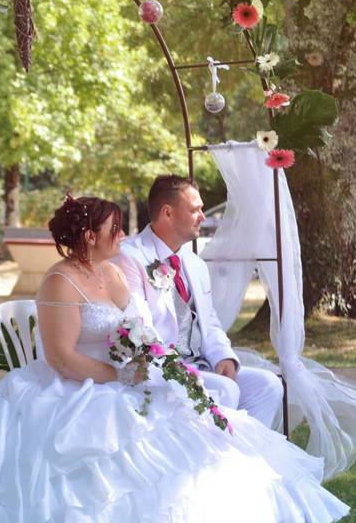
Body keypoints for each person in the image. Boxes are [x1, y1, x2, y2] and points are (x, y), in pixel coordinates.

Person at [0, 193, 348, 523]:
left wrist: (147, 360)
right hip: (74, 387)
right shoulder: (60, 281)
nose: (123, 236)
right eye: (115, 229)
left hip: (127, 375)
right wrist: (120, 376)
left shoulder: (111, 272)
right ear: (90, 236)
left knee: (193, 423)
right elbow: (61, 357)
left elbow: (136, 328)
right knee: (118, 431)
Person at [114, 174, 284, 430]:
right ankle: (217, 462)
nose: (203, 217)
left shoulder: (195, 263)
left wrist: (223, 357)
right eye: (195, 210)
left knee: (268, 385)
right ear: (168, 213)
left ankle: (247, 460)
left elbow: (210, 321)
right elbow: (138, 325)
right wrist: (177, 368)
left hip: (201, 364)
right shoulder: (130, 257)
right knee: (226, 389)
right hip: (161, 369)